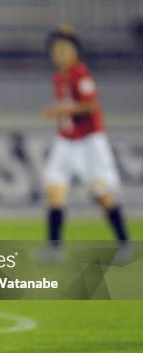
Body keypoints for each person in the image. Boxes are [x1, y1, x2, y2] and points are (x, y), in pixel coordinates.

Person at [42, 27, 129, 258]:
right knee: (54, 189)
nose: (59, 54)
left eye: (64, 49)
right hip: (66, 142)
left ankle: (124, 243)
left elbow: (91, 104)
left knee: (101, 194)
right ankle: (54, 248)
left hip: (89, 142)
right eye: (56, 50)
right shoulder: (59, 76)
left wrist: (62, 109)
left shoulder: (80, 73)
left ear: (75, 51)